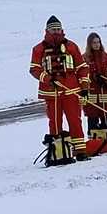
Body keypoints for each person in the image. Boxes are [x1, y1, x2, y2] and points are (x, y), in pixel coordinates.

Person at [29, 16, 86, 152]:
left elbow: (82, 67)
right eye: (53, 29)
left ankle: (80, 151)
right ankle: (59, 152)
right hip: (51, 91)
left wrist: (84, 87)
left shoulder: (71, 46)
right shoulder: (38, 49)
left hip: (71, 90)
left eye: (58, 29)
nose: (56, 31)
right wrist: (48, 78)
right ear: (47, 30)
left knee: (75, 121)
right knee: (54, 122)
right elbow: (34, 69)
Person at [80, 31, 107, 154]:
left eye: (98, 42)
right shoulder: (84, 58)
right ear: (89, 44)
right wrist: (92, 79)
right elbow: (80, 75)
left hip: (105, 94)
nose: (96, 45)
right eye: (94, 43)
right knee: (92, 120)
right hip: (91, 95)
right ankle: (94, 145)